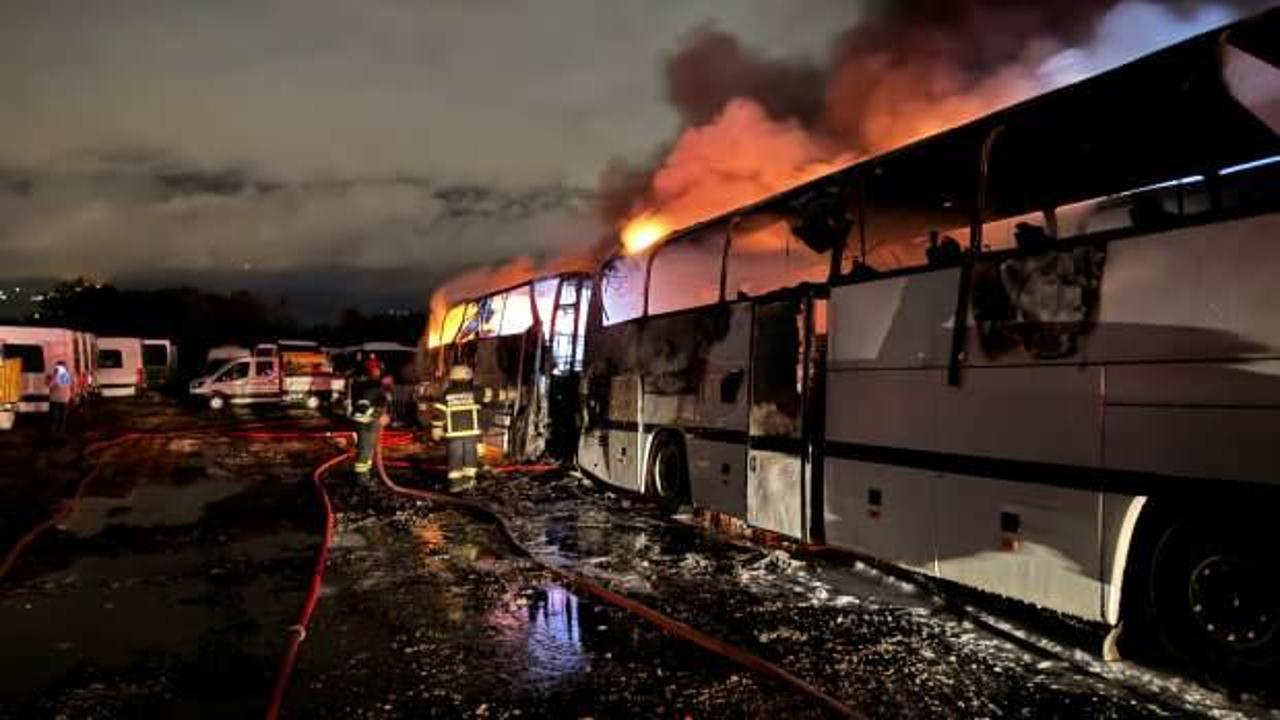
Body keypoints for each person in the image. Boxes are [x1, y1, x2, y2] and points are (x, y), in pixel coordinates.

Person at [432, 364, 482, 491]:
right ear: (469, 378)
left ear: (452, 379)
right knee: (470, 457)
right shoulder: (475, 392)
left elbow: (439, 412)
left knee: (455, 458)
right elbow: (492, 395)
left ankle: (455, 484)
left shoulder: (446, 395)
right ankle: (469, 481)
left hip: (454, 435)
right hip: (471, 434)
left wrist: (436, 428)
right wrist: (510, 394)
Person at [350, 370, 391, 486]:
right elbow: (361, 407)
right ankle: (361, 481)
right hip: (364, 425)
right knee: (364, 452)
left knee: (368, 453)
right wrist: (379, 415)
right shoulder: (372, 391)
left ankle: (365, 478)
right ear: (383, 380)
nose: (391, 382)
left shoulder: (381, 392)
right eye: (389, 379)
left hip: (370, 425)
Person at [46, 359, 73, 440]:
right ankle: (54, 434)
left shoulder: (66, 375)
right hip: (57, 400)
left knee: (60, 418)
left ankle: (59, 434)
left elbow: (69, 387)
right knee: (56, 418)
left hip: (62, 400)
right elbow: (49, 385)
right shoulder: (54, 375)